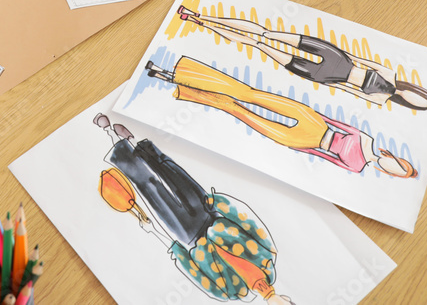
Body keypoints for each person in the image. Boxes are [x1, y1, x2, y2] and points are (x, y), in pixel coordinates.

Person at [94, 114, 295, 304]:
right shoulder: (268, 256)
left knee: (150, 188)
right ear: (288, 300)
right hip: (208, 212)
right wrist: (217, 201)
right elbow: (246, 219)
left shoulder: (230, 293)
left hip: (187, 233)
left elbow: (191, 269)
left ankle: (112, 138)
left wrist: (156, 232)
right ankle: (132, 139)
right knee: (170, 171)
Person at [145, 57, 418, 178]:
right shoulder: (367, 139)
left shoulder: (358, 168)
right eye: (399, 166)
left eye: (396, 173)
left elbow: (325, 157)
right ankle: (177, 72)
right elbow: (337, 124)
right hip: (316, 123)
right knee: (249, 94)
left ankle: (174, 83)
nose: (392, 168)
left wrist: (295, 145)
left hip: (305, 141)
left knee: (239, 111)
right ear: (394, 158)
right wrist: (309, 114)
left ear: (387, 171)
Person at [177, 6, 427, 111]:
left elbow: (346, 89)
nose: (415, 99)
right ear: (419, 91)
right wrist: (338, 54)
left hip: (328, 75)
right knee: (266, 33)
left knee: (258, 44)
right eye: (422, 98)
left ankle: (199, 23)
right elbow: (358, 58)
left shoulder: (381, 99)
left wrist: (321, 80)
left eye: (418, 104)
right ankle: (201, 16)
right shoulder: (389, 74)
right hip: (338, 58)